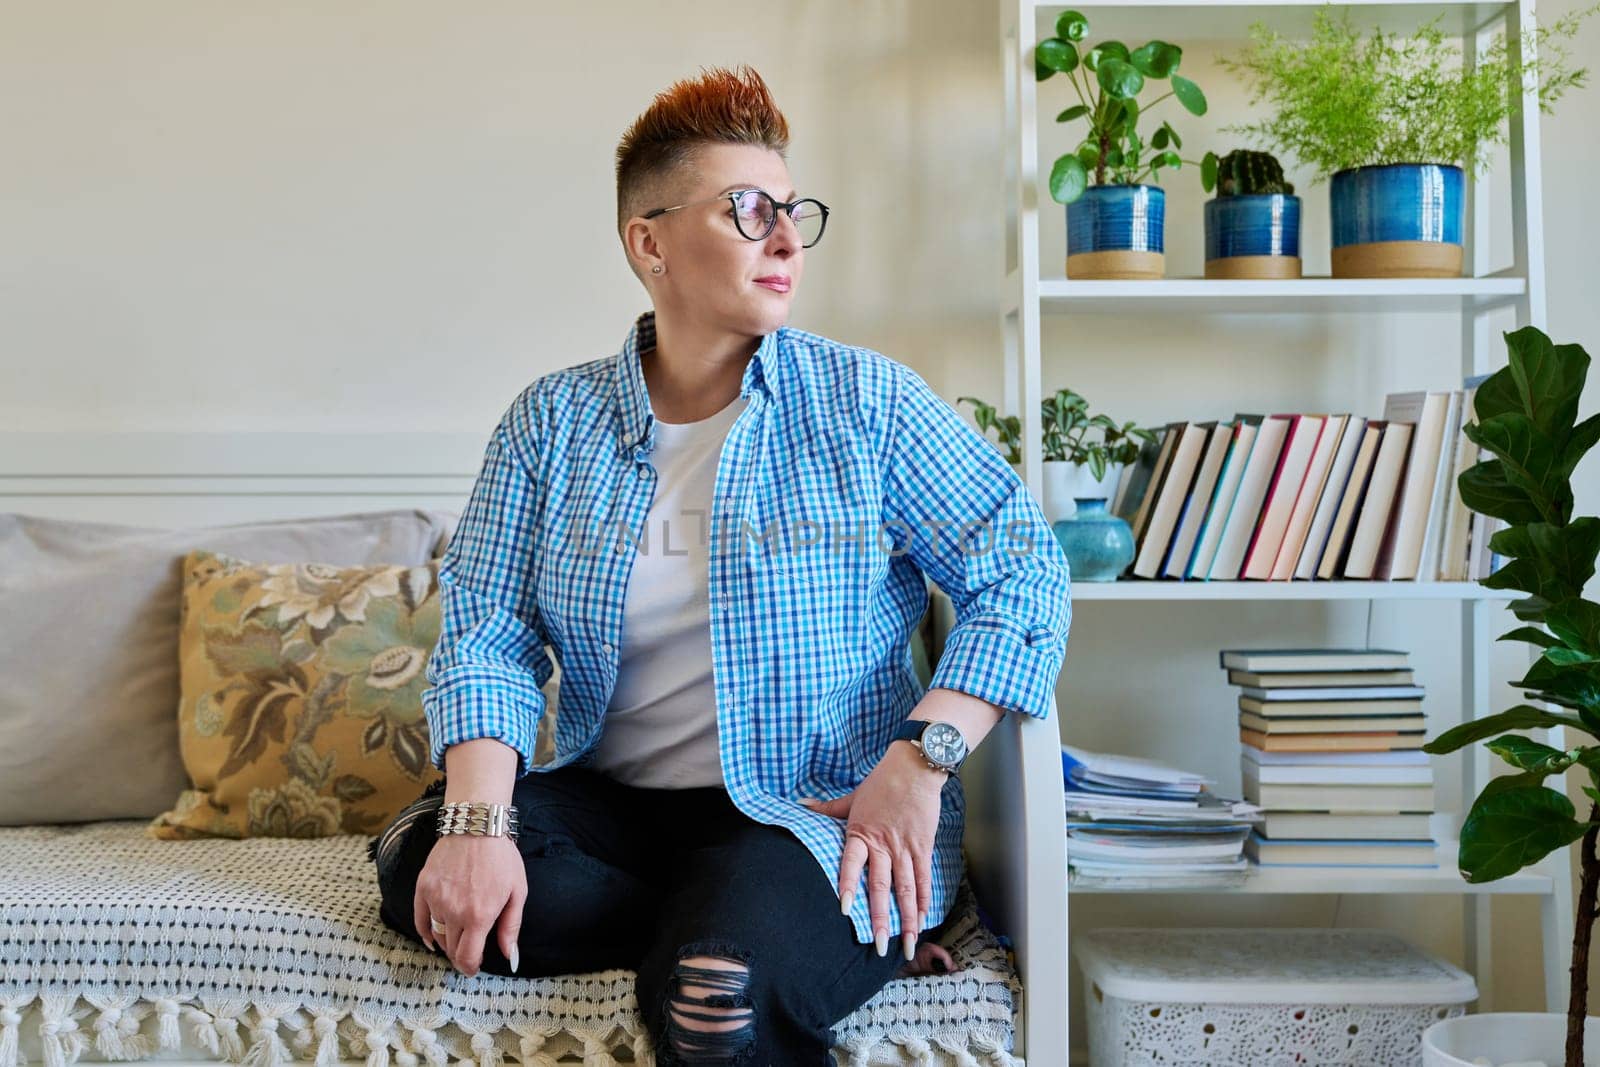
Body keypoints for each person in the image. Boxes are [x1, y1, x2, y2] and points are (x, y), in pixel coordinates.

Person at [371, 63, 1071, 1066]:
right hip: (615, 808)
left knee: (715, 996)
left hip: (818, 803)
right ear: (647, 242)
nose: (786, 239)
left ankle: (769, 931)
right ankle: (796, 932)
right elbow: (488, 630)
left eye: (793, 211)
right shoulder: (550, 423)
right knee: (419, 861)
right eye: (748, 210)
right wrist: (479, 823)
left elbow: (1023, 572)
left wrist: (922, 759)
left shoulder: (865, 403)